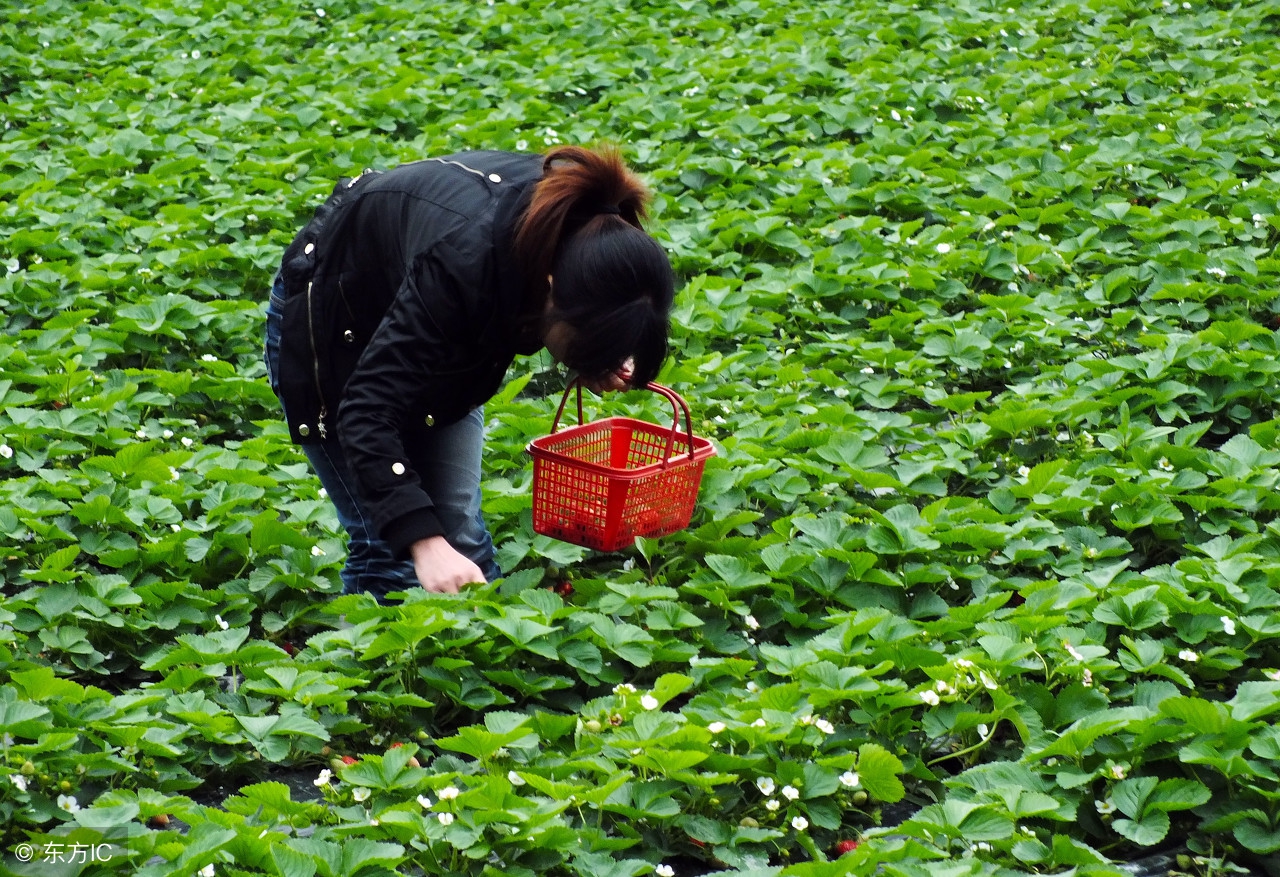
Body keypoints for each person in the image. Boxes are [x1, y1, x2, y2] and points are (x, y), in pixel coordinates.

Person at [263, 145, 674, 600]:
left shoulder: (596, 240)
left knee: (461, 539)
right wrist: (422, 542)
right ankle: (365, 664)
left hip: (439, 334)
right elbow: (366, 409)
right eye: (591, 345)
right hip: (336, 322)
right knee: (391, 552)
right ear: (553, 290)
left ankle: (478, 654)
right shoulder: (465, 260)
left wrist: (604, 354)